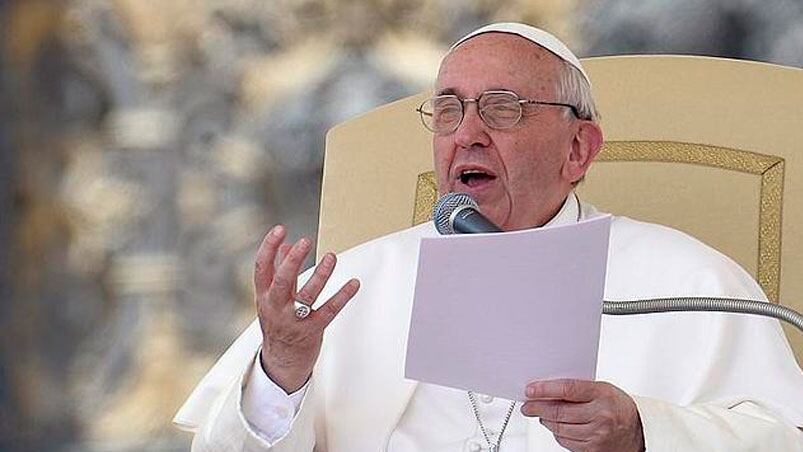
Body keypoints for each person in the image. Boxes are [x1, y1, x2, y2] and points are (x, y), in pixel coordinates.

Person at [175, 23, 803, 451]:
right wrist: (281, 370)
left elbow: (783, 437)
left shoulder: (688, 282)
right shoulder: (355, 284)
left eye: (502, 108)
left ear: (578, 148)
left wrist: (645, 433)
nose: (466, 133)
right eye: (448, 109)